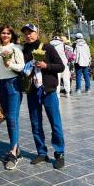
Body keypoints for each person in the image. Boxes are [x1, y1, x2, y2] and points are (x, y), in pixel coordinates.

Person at [21, 24, 66, 169]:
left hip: (48, 91)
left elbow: (61, 66)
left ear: (37, 32)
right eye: (26, 33)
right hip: (32, 91)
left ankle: (59, 153)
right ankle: (41, 152)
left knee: (55, 123)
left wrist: (46, 66)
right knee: (35, 123)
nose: (28, 35)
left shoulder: (47, 47)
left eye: (31, 32)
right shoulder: (24, 50)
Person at [0, 25, 25, 170]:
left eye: (7, 33)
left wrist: (10, 64)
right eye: (3, 33)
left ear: (11, 35)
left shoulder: (16, 48)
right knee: (7, 117)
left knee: (12, 118)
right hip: (2, 84)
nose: (5, 35)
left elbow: (22, 67)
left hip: (13, 83)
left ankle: (13, 153)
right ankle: (16, 148)